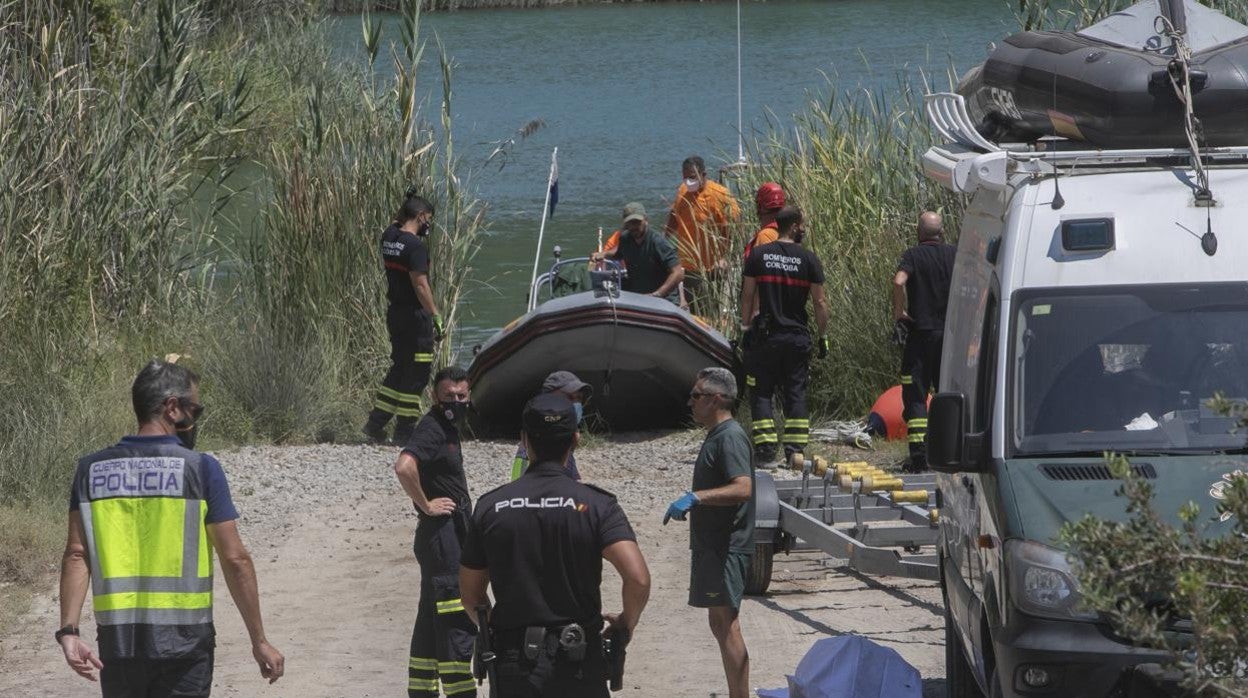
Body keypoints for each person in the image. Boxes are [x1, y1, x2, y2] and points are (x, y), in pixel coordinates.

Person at [57, 359, 284, 695]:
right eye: (196, 409)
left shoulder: (91, 471)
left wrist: (69, 632)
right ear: (173, 408)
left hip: (119, 645)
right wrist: (259, 640)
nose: (196, 419)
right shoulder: (200, 469)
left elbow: (77, 555)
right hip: (185, 645)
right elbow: (235, 559)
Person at [461, 392, 651, 698]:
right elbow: (638, 578)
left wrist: (503, 627)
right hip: (578, 657)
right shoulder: (596, 505)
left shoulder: (491, 506)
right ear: (575, 439)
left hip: (514, 663)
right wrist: (625, 625)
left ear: (524, 440)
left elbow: (471, 594)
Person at [662, 367, 754, 698]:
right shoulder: (717, 435)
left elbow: (743, 488)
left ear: (716, 399)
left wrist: (697, 497)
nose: (690, 402)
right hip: (713, 546)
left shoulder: (729, 436)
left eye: (696, 396)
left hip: (726, 547)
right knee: (718, 623)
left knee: (727, 625)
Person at [393, 366, 477, 698]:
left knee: (430, 618)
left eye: (461, 396)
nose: (455, 402)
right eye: (448, 397)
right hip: (443, 539)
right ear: (434, 396)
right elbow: (404, 466)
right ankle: (460, 692)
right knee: (455, 614)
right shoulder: (433, 428)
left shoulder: (448, 426)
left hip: (444, 539)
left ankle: (423, 691)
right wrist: (426, 504)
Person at [740, 206, 829, 467]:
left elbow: (747, 297)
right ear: (793, 226)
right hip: (797, 336)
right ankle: (794, 453)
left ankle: (766, 453)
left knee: (762, 392)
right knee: (796, 392)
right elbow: (820, 302)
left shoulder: (758, 256)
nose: (804, 229)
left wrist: (745, 328)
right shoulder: (809, 259)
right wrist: (823, 335)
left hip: (766, 336)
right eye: (802, 225)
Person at [364, 193, 444, 445]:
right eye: (428, 219)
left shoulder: (389, 237)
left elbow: (397, 221)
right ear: (420, 216)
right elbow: (420, 285)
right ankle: (404, 431)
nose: (428, 225)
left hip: (395, 314)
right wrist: (436, 316)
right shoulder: (416, 247)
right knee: (419, 370)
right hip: (415, 318)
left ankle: (375, 424)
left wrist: (407, 202)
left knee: (399, 367)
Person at [892, 211, 956, 472]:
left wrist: (899, 313)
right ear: (941, 232)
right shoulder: (954, 254)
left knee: (916, 396)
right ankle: (947, 452)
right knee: (946, 395)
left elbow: (898, 281)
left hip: (920, 336)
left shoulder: (913, 255)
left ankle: (919, 457)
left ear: (919, 233)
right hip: (950, 338)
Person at [664, 156, 741, 310]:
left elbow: (737, 228)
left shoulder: (720, 195)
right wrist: (664, 240)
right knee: (692, 312)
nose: (688, 182)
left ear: (703, 174)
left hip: (712, 269)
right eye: (685, 177)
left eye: (692, 177)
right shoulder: (682, 190)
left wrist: (727, 258)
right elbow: (674, 215)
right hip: (689, 267)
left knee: (710, 312)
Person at [593, 202, 684, 303]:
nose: (633, 227)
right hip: (639, 298)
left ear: (646, 220)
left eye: (636, 222)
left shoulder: (658, 242)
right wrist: (603, 254)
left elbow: (678, 272)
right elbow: (619, 253)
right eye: (629, 223)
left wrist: (658, 294)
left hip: (663, 299)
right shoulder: (625, 238)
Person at [510, 370, 592, 481]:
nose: (576, 404)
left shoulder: (564, 439)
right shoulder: (533, 443)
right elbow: (520, 487)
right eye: (570, 397)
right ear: (548, 397)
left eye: (579, 399)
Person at [742, 182, 787, 323]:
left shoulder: (765, 236)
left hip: (763, 312)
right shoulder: (786, 233)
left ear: (760, 206)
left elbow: (763, 279)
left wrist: (750, 318)